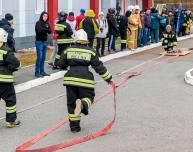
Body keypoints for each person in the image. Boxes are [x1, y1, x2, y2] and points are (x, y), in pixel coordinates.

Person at [58, 29, 113, 133]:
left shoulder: (68, 50)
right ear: (86, 40)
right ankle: (83, 104)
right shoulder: (91, 51)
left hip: (70, 80)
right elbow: (98, 67)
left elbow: (61, 64)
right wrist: (108, 78)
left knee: (71, 104)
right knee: (89, 98)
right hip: (85, 80)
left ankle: (74, 127)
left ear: (75, 39)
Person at [0, 28, 21, 128]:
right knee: (10, 100)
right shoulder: (6, 51)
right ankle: (10, 121)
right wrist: (11, 68)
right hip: (5, 81)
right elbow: (16, 64)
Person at [35, 11, 51, 77]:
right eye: (44, 16)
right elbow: (39, 31)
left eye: (46, 16)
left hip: (45, 42)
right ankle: (37, 72)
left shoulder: (47, 23)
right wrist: (46, 29)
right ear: (42, 16)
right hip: (39, 42)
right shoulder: (38, 23)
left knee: (43, 57)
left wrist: (45, 29)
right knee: (40, 57)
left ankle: (42, 71)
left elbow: (50, 31)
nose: (45, 17)